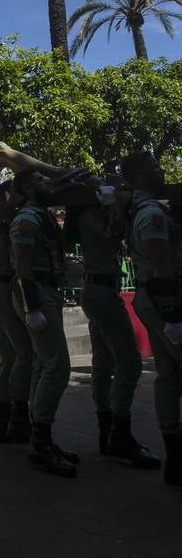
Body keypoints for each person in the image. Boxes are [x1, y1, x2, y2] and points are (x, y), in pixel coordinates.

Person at [67, 178, 160, 469]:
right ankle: (119, 431)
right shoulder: (92, 216)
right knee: (129, 362)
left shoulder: (91, 215)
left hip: (99, 289)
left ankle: (107, 430)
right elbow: (112, 237)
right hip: (101, 291)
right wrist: (115, 209)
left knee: (104, 361)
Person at [9, 170, 78, 478]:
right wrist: (32, 307)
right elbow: (23, 266)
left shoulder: (41, 213)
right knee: (57, 366)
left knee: (43, 364)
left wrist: (65, 181)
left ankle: (41, 438)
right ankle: (40, 442)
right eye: (39, 180)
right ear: (26, 188)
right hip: (36, 292)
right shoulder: (27, 218)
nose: (46, 183)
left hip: (48, 290)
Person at [121, 152, 182, 486]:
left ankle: (176, 460)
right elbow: (162, 265)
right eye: (155, 168)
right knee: (170, 374)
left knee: (168, 376)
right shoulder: (151, 214)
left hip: (153, 298)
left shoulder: (141, 210)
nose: (161, 172)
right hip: (164, 300)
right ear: (141, 175)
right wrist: (173, 316)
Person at [0, 183, 33, 444]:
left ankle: (8, 417)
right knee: (22, 350)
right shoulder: (0, 221)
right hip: (4, 287)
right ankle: (16, 415)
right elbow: (3, 244)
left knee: (11, 351)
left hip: (6, 286)